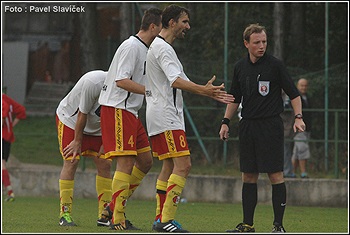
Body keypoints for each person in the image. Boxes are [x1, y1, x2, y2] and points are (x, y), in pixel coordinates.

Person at [145, 4, 235, 233]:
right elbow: (176, 81)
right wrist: (204, 91)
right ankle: (166, 220)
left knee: (168, 166)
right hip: (166, 116)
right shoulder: (163, 48)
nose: (188, 26)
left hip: (160, 115)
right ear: (172, 22)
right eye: (184, 21)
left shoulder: (161, 47)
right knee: (183, 165)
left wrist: (207, 90)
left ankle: (160, 219)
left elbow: (181, 80)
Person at [219, 23, 306, 233]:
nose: (261, 46)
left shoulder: (275, 66)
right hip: (248, 126)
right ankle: (247, 225)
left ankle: (278, 226)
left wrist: (298, 117)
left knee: (275, 175)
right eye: (257, 42)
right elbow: (234, 98)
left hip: (270, 126)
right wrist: (225, 122)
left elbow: (294, 94)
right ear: (246, 43)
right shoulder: (240, 67)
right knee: (248, 175)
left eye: (264, 42)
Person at [97, 7, 163, 231]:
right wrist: (149, 91)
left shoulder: (146, 49)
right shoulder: (131, 46)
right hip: (117, 109)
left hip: (130, 112)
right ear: (153, 27)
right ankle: (117, 218)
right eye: (162, 26)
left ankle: (112, 207)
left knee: (146, 161)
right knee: (125, 162)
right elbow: (121, 81)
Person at [56, 70, 113, 226]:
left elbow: (119, 116)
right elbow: (82, 113)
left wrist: (107, 141)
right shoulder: (93, 81)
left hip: (98, 127)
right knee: (71, 160)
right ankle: (65, 214)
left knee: (105, 163)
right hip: (71, 121)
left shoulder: (128, 87)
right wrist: (77, 140)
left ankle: (104, 215)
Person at [2, 93, 27, 202]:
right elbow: (21, 111)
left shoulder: (3, 100)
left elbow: (4, 108)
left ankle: (10, 191)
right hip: (7, 136)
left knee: (2, 164)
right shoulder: (8, 99)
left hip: (3, 136)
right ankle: (9, 191)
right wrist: (11, 126)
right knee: (2, 164)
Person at [292, 78, 312, 178]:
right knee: (302, 149)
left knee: (297, 151)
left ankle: (292, 172)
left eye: (305, 85)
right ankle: (303, 172)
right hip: (299, 128)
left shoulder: (308, 97)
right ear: (297, 86)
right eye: (301, 85)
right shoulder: (295, 98)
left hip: (307, 128)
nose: (303, 88)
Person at [281, 90, 296, 178]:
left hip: (288, 129)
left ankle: (288, 171)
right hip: (281, 129)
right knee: (285, 150)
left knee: (287, 150)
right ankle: (286, 171)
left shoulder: (289, 97)